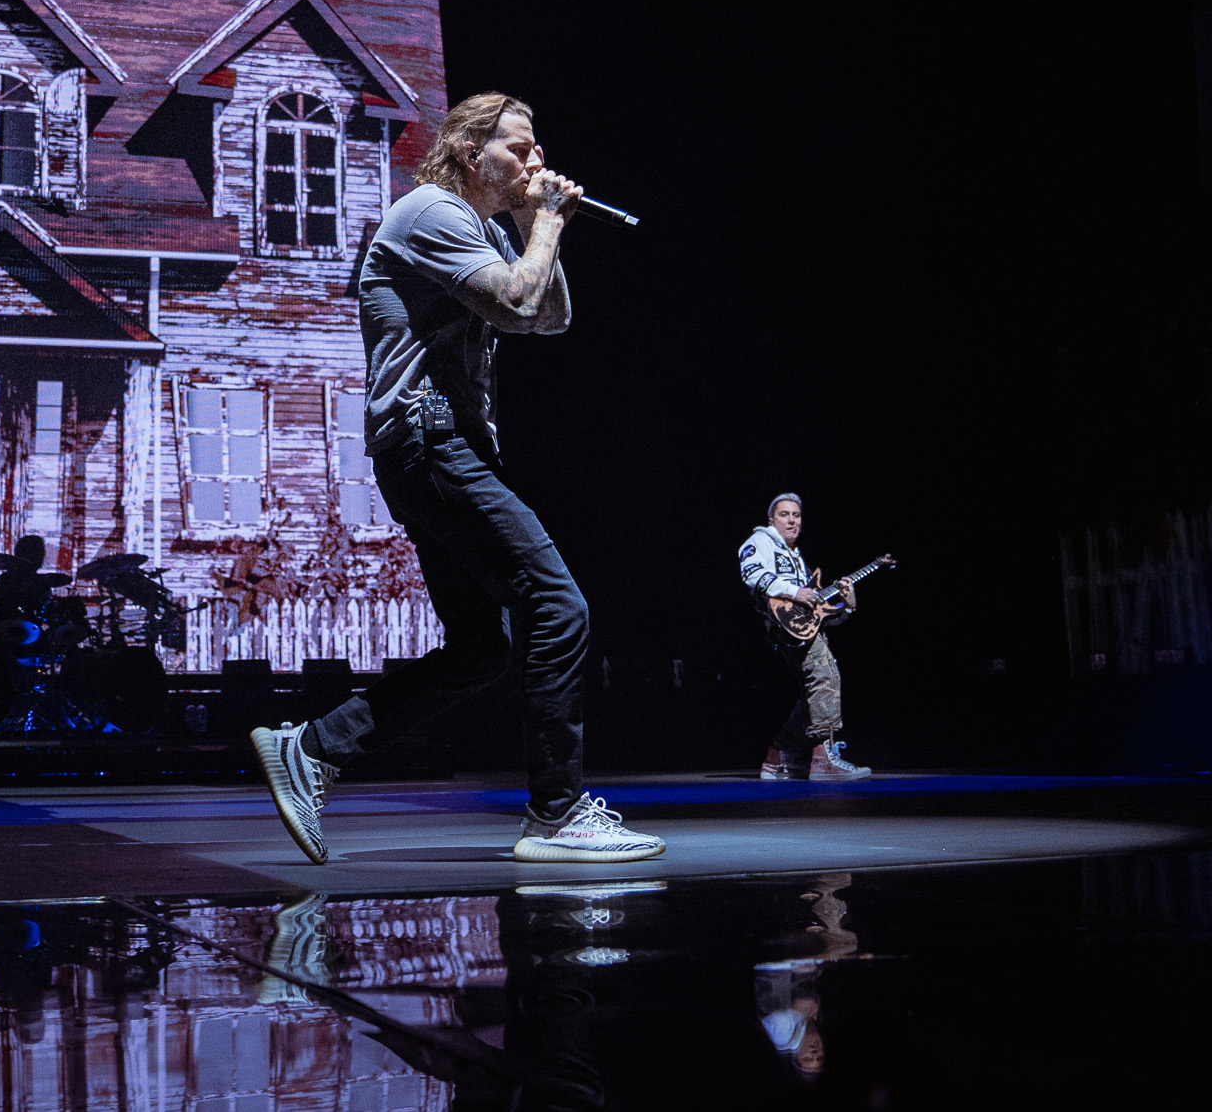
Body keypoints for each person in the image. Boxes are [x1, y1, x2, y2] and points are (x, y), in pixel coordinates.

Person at [252, 92, 665, 865]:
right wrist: (541, 224)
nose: (537, 161)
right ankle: (556, 815)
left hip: (443, 448)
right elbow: (515, 302)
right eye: (521, 149)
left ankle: (313, 747)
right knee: (557, 604)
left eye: (539, 150)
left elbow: (547, 317)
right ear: (474, 154)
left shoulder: (476, 226)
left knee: (481, 647)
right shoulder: (430, 212)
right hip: (431, 440)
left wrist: (537, 227)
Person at [739, 494, 872, 780]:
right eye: (785, 514)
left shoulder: (796, 557)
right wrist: (794, 591)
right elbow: (750, 574)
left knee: (812, 691)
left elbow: (816, 607)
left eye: (796, 515)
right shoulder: (759, 542)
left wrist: (847, 604)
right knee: (826, 676)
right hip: (780, 628)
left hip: (800, 630)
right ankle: (824, 759)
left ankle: (779, 757)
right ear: (771, 520)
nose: (792, 520)